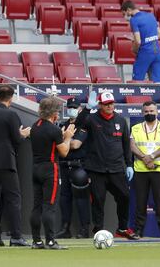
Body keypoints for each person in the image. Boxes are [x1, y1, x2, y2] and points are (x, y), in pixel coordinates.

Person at [75, 91, 137, 240]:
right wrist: (88, 109)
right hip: (96, 169)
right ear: (100, 104)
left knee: (125, 196)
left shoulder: (121, 120)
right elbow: (78, 124)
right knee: (98, 200)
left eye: (111, 103)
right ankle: (98, 231)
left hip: (116, 168)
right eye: (106, 104)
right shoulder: (91, 119)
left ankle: (122, 228)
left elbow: (126, 144)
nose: (110, 106)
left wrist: (129, 164)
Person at [0, 85, 31, 247]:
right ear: (11, 98)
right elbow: (17, 140)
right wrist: (24, 134)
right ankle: (16, 236)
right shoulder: (11, 115)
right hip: (6, 162)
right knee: (14, 199)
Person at [30, 97, 76, 250]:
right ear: (54, 113)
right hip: (50, 170)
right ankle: (50, 241)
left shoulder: (35, 126)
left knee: (37, 206)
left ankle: (36, 241)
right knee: (49, 206)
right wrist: (68, 137)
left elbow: (48, 142)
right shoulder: (54, 129)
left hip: (36, 168)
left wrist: (60, 137)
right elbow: (63, 152)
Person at [130, 101, 160, 238]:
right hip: (141, 169)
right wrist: (144, 158)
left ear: (157, 111)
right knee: (140, 202)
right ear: (143, 113)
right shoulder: (136, 128)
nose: (149, 113)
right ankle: (138, 231)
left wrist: (152, 156)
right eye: (146, 111)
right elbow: (132, 146)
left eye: (152, 111)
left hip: (159, 169)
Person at [55, 97, 90, 239]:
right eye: (70, 107)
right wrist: (65, 140)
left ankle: (84, 229)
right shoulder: (62, 125)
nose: (72, 110)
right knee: (64, 199)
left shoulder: (83, 125)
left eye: (75, 108)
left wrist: (64, 140)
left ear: (80, 109)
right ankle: (65, 228)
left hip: (78, 165)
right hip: (64, 166)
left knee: (81, 199)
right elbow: (57, 146)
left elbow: (76, 145)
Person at [121, 0, 160, 83]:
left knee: (137, 82)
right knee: (158, 84)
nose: (124, 17)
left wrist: (134, 49)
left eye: (124, 14)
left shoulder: (134, 20)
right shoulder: (151, 16)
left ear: (129, 10)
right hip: (156, 50)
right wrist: (147, 38)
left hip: (145, 52)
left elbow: (138, 41)